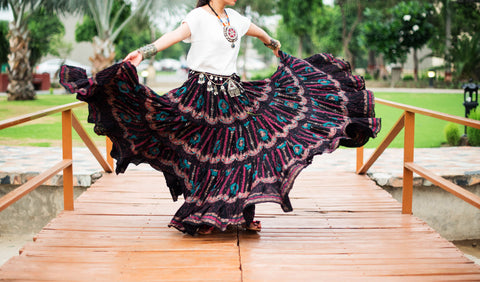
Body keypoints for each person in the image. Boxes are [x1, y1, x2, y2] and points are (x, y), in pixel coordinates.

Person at [60, 0, 380, 236]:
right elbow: (171, 36)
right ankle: (204, 215)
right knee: (208, 156)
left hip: (234, 94)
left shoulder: (236, 18)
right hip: (199, 96)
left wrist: (274, 45)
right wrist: (143, 52)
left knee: (245, 153)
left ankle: (241, 214)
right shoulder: (198, 17)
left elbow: (259, 32)